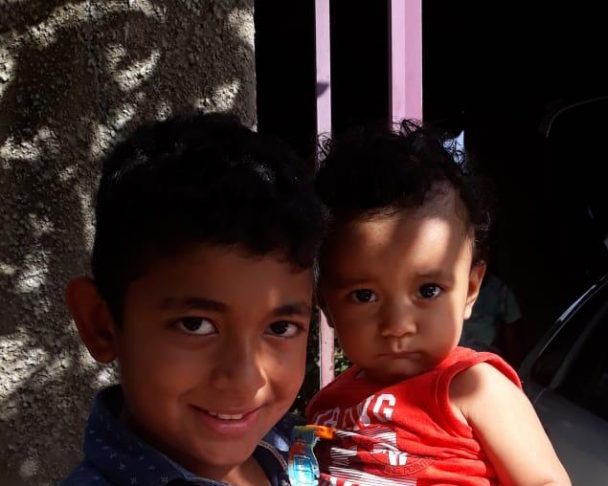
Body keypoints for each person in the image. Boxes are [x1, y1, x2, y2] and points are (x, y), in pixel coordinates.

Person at [62, 113, 326, 485]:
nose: (245, 379)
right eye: (195, 325)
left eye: (280, 328)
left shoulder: (288, 446)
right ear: (101, 325)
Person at [305, 121, 570, 485]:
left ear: (471, 289)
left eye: (428, 290)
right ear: (326, 305)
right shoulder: (326, 405)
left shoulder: (474, 388)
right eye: (364, 295)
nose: (398, 325)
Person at [460, 273, 524, 364]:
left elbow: (512, 338)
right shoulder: (457, 287)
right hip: (458, 353)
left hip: (486, 355)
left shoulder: (501, 291)